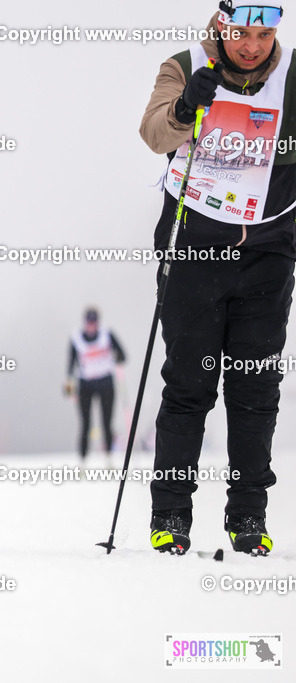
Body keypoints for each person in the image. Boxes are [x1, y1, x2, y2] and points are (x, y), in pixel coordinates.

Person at [139, 2, 293, 555]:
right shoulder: (185, 65)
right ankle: (172, 516)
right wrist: (187, 106)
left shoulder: (290, 77)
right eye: (240, 33)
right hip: (194, 248)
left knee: (255, 387)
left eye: (263, 34)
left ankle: (249, 517)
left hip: (269, 251)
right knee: (189, 383)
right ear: (222, 27)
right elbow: (155, 134)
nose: (251, 46)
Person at [64, 308, 126, 463]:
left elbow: (123, 355)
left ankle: (109, 458)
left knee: (107, 422)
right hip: (86, 384)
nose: (91, 326)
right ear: (85, 323)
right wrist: (69, 389)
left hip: (106, 382)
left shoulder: (107, 334)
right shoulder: (76, 338)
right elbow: (70, 366)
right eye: (89, 322)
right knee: (85, 423)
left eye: (94, 322)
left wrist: (117, 357)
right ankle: (82, 460)